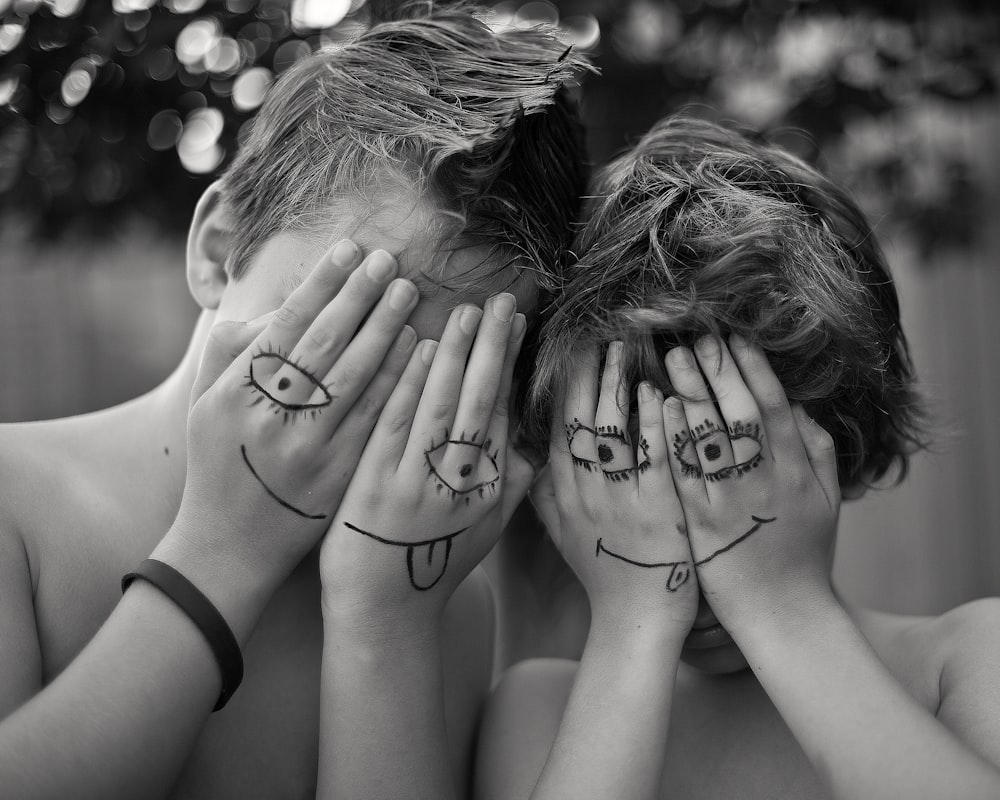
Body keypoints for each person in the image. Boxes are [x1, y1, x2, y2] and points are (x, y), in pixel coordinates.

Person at [0, 4, 588, 798]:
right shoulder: (15, 503)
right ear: (218, 250)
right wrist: (220, 553)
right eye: (346, 340)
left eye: (448, 391)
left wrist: (388, 628)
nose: (374, 423)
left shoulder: (440, 598)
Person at [470, 116, 1000, 799]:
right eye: (629, 476)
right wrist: (634, 626)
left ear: (841, 442)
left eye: (729, 465)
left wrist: (782, 605)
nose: (693, 544)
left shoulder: (966, 659)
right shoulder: (540, 711)